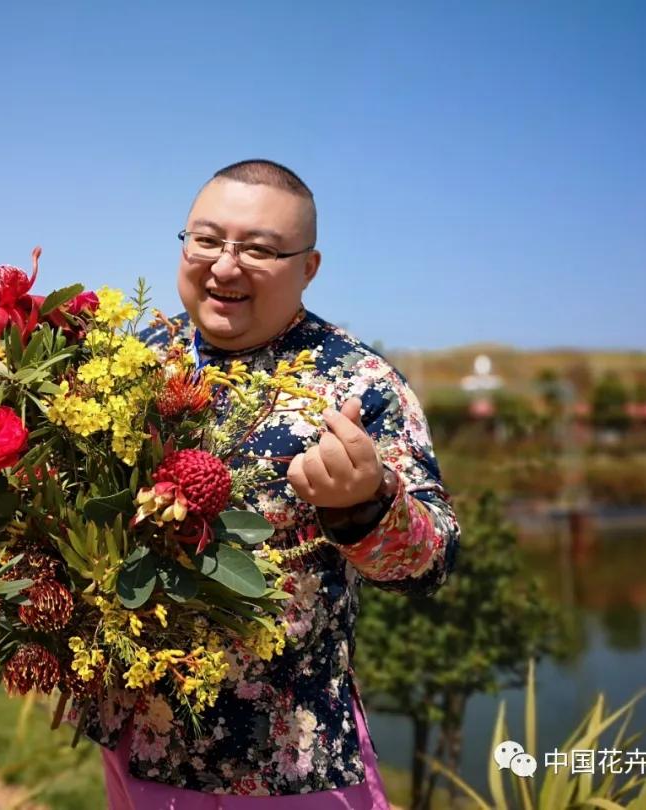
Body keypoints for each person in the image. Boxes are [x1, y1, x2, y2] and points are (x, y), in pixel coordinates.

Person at [73, 160, 460, 808]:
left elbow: (434, 561)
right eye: (206, 240)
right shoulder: (129, 360)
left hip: (290, 764)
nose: (225, 267)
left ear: (308, 267)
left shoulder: (356, 382)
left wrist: (365, 506)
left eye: (259, 249)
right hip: (138, 746)